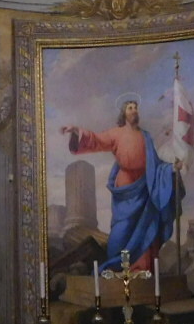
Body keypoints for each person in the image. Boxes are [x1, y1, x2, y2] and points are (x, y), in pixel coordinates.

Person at [60, 95, 180, 271]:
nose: (134, 111)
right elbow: (96, 140)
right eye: (130, 108)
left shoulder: (146, 136)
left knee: (145, 228)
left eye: (135, 108)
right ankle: (117, 267)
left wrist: (170, 168)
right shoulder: (116, 133)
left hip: (145, 187)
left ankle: (141, 270)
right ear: (124, 113)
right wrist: (77, 132)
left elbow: (155, 163)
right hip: (126, 189)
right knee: (121, 231)